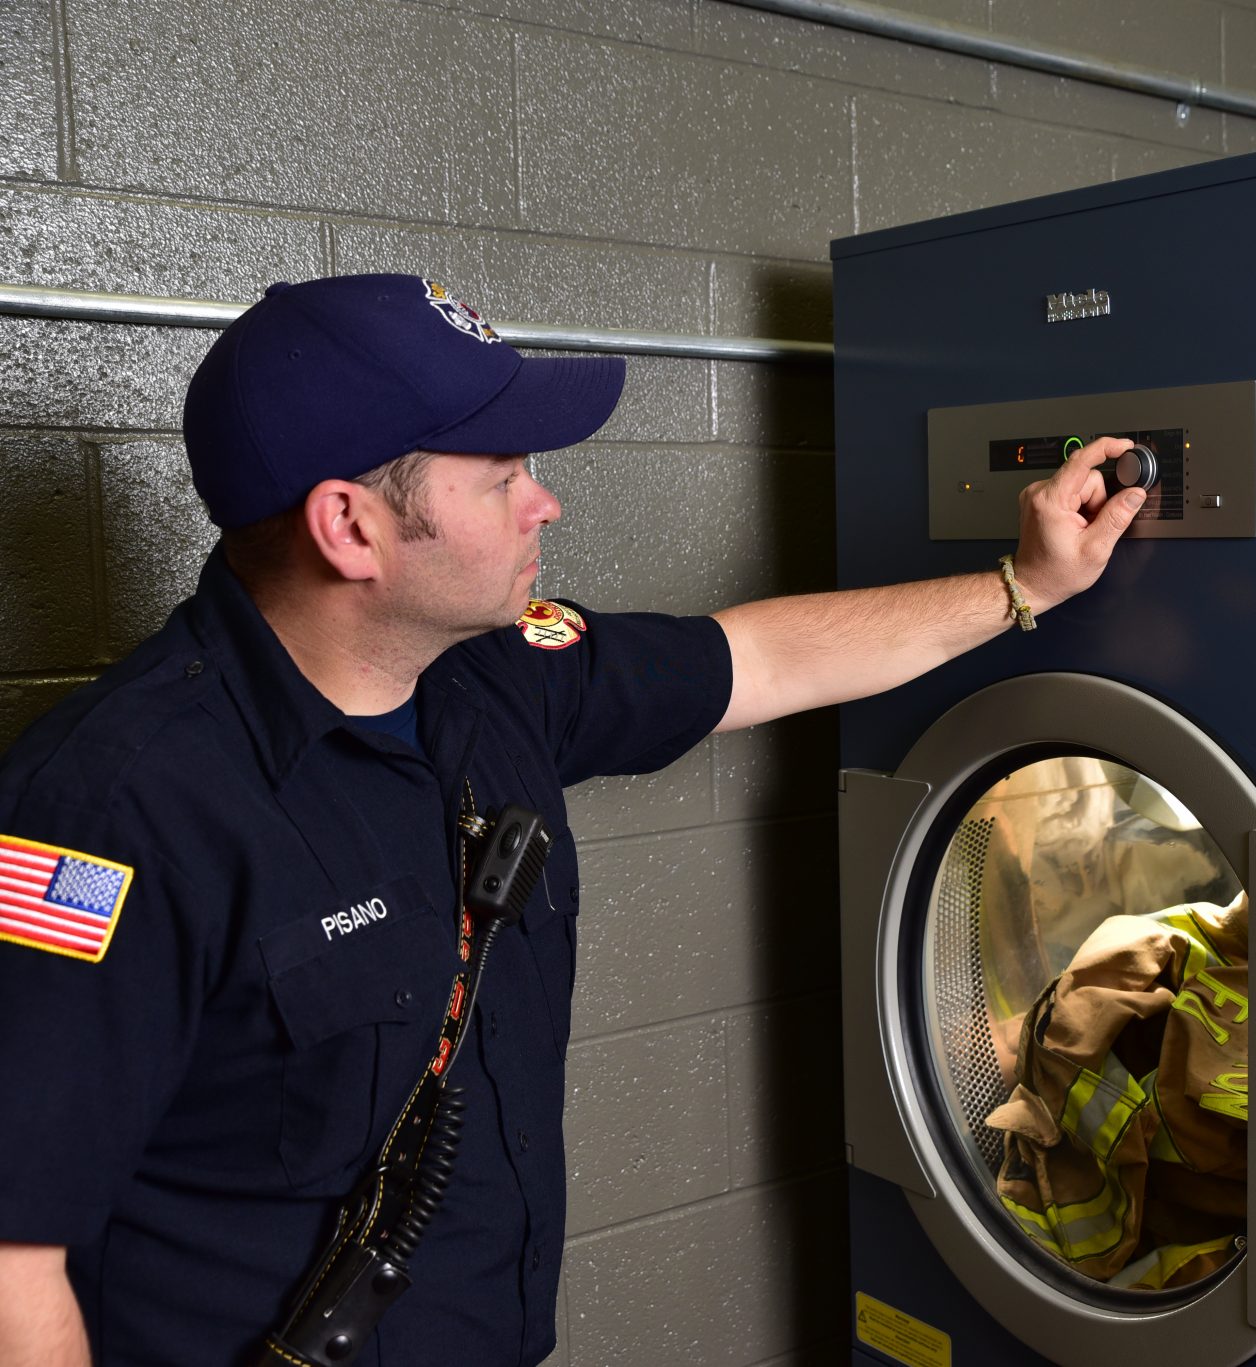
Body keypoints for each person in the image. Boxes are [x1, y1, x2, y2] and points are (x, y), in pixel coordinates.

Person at [0, 274, 1145, 1366]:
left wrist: (1023, 586)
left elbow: (759, 655)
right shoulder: (103, 812)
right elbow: (14, 1262)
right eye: (499, 472)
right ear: (350, 527)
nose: (542, 496)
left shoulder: (495, 673)